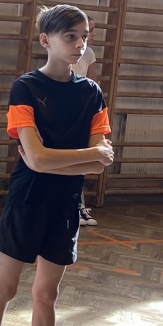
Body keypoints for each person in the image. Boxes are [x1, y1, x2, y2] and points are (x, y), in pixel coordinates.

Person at [0, 5, 113, 326]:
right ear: (45, 40)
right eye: (70, 36)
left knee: (46, 294)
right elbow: (34, 159)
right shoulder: (26, 87)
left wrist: (61, 160)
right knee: (4, 290)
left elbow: (99, 165)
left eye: (84, 36)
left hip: (65, 204)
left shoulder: (92, 93)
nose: (79, 43)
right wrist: (87, 156)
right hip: (28, 200)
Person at [71, 17, 98, 227]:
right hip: (65, 111)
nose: (91, 35)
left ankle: (79, 206)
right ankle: (70, 206)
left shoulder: (88, 53)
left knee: (81, 160)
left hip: (82, 112)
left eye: (92, 31)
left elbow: (92, 82)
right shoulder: (66, 52)